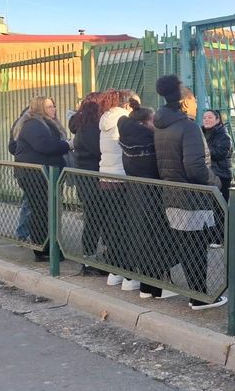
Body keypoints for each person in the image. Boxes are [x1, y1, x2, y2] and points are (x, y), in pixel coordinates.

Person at [154, 75, 226, 310]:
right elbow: (195, 167)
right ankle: (199, 295)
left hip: (172, 192)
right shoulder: (188, 128)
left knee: (185, 244)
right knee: (195, 247)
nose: (198, 104)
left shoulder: (161, 125)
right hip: (191, 195)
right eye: (194, 99)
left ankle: (184, 288)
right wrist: (215, 181)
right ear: (185, 102)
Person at [118, 101, 177, 300]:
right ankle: (158, 287)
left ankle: (145, 286)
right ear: (145, 122)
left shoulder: (127, 137)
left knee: (142, 238)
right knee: (157, 238)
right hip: (152, 194)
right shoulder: (149, 140)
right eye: (153, 120)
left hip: (135, 194)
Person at [11, 96, 71, 262]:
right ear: (40, 108)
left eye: (54, 106)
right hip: (36, 175)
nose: (54, 109)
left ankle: (48, 246)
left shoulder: (45, 123)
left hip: (46, 173)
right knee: (40, 211)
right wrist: (68, 145)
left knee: (47, 211)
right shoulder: (33, 124)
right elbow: (45, 145)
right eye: (50, 107)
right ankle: (41, 248)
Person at [98, 89, 141, 291]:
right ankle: (129, 274)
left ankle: (114, 271)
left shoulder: (105, 119)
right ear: (128, 105)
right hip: (122, 177)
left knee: (113, 225)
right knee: (127, 227)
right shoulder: (124, 119)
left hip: (106, 177)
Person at [67, 92, 108, 276]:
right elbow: (99, 151)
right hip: (93, 180)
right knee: (94, 220)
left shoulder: (82, 126)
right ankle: (89, 259)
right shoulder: (91, 128)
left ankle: (91, 257)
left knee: (94, 219)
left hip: (87, 180)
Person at [202, 109, 234, 247]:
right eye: (204, 117)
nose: (206, 119)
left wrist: (204, 151)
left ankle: (221, 238)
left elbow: (221, 152)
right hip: (207, 174)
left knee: (219, 207)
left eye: (209, 117)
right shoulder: (201, 133)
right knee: (209, 208)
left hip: (221, 175)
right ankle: (210, 236)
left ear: (217, 120)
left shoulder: (223, 135)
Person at [7, 106, 31, 242]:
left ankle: (25, 232)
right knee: (29, 202)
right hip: (26, 170)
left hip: (26, 170)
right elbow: (12, 147)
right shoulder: (21, 124)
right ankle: (22, 233)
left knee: (29, 202)